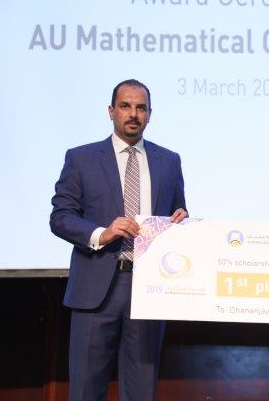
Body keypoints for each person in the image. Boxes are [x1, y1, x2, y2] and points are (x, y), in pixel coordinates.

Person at [50, 79, 188, 400]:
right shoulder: (81, 158)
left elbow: (177, 212)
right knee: (85, 391)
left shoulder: (169, 161)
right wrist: (103, 233)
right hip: (95, 289)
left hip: (150, 289)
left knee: (141, 392)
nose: (133, 114)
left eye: (141, 108)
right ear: (111, 111)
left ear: (150, 114)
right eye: (125, 106)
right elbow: (61, 217)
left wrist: (181, 221)